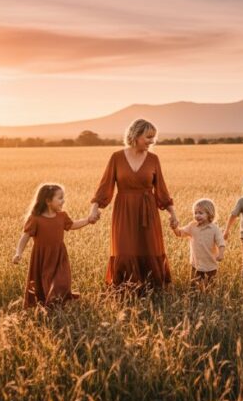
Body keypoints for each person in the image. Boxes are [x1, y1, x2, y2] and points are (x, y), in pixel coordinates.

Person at [89, 119, 179, 293]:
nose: (152, 141)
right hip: (124, 211)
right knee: (125, 248)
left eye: (154, 137)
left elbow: (161, 189)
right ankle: (125, 288)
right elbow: (105, 186)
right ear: (136, 135)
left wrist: (172, 214)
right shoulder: (116, 157)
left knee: (149, 246)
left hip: (148, 211)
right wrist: (94, 209)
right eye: (148, 137)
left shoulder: (153, 159)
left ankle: (151, 288)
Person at [13, 183, 95, 308]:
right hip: (42, 257)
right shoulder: (35, 219)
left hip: (59, 255)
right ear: (48, 201)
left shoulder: (62, 216)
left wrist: (88, 220)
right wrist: (18, 252)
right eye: (60, 198)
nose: (64, 201)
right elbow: (25, 237)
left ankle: (57, 302)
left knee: (62, 280)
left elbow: (73, 225)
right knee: (44, 281)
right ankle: (49, 306)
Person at [172, 199, 226, 288]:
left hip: (210, 265)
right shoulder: (192, 226)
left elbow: (221, 243)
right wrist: (174, 228)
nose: (197, 215)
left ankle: (208, 300)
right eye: (195, 213)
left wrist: (221, 254)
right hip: (196, 264)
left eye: (200, 213)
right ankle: (195, 299)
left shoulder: (214, 229)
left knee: (209, 287)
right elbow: (179, 233)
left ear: (209, 214)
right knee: (194, 287)